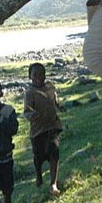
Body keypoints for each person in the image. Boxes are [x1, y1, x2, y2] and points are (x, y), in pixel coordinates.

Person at [23, 62, 66, 196]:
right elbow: (26, 111)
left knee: (54, 151)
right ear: (30, 76)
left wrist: (60, 106)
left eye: (41, 73)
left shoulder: (50, 87)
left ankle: (53, 183)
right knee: (38, 156)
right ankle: (39, 176)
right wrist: (33, 115)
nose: (39, 76)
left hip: (52, 125)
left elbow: (55, 100)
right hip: (38, 130)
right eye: (35, 74)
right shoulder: (30, 93)